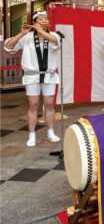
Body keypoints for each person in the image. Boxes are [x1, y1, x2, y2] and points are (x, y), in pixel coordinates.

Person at [4, 11, 61, 147]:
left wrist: (42, 31)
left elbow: (56, 42)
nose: (44, 20)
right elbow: (9, 46)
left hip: (49, 75)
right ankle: (32, 134)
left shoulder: (53, 35)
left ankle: (51, 131)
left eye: (45, 18)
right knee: (33, 105)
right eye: (40, 18)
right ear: (35, 22)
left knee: (49, 104)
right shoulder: (28, 37)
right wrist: (22, 34)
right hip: (32, 75)